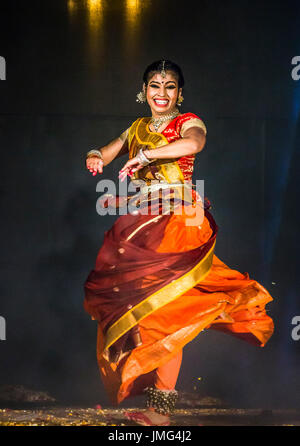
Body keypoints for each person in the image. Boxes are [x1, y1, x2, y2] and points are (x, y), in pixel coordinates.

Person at [84, 60, 274, 426]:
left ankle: (162, 411)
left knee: (166, 312)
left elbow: (194, 144)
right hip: (142, 222)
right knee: (149, 313)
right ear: (143, 91)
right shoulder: (136, 128)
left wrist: (148, 154)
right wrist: (95, 158)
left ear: (179, 93)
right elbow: (106, 153)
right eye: (154, 85)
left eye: (169, 86)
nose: (161, 92)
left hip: (179, 219)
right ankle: (159, 407)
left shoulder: (186, 122)